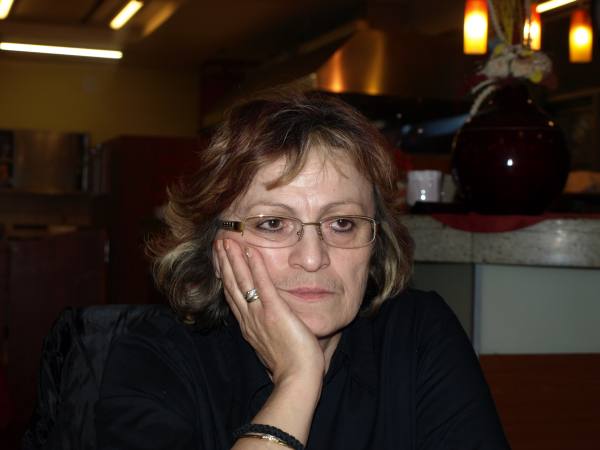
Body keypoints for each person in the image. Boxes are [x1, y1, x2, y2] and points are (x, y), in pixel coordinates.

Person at [95, 89, 510, 450]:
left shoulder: (419, 334)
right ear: (213, 241)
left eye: (342, 223)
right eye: (273, 224)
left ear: (376, 241)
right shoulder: (155, 357)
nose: (313, 258)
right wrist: (297, 380)